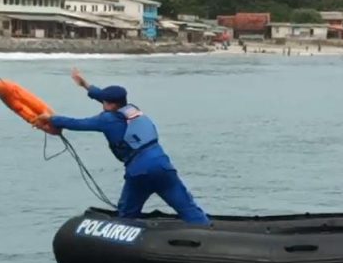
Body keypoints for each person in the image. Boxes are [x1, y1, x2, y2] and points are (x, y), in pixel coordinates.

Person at [33, 68, 211, 225]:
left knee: (127, 216)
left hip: (139, 171)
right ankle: (205, 231)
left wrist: (51, 118)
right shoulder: (133, 111)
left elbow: (78, 123)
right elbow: (108, 101)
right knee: (188, 208)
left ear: (109, 104)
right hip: (163, 165)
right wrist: (86, 86)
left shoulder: (107, 119)